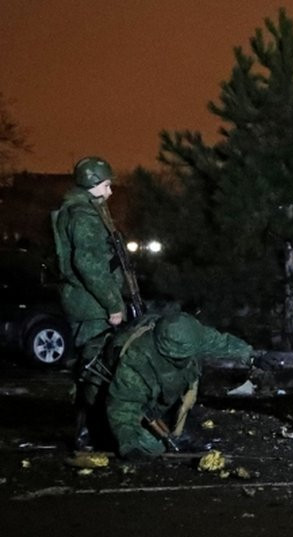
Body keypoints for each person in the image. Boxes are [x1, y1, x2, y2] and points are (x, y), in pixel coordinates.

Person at [52, 156, 126, 448]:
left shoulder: (82, 210)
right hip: (91, 305)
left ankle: (90, 430)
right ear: (93, 184)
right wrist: (113, 305)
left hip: (86, 303)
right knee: (95, 367)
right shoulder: (83, 216)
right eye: (106, 185)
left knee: (91, 366)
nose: (110, 192)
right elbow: (89, 265)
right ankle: (88, 433)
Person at [105, 312, 253, 458]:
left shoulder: (190, 334)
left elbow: (219, 343)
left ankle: (171, 424)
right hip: (133, 398)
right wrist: (133, 444)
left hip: (165, 391)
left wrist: (250, 356)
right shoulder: (138, 362)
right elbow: (123, 407)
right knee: (152, 447)